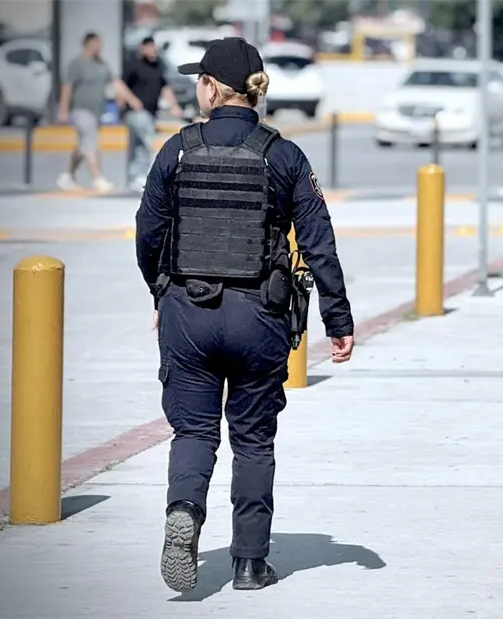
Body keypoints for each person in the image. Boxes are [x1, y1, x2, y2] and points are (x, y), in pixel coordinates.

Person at [134, 37, 355, 593]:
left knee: (194, 430)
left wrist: (162, 293)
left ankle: (185, 507)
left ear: (211, 88)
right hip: (259, 313)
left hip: (189, 312)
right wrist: (339, 319)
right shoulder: (283, 154)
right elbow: (319, 240)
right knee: (253, 440)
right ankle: (252, 563)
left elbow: (148, 233)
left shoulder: (177, 150)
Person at [57, 32, 143, 193]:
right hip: (81, 110)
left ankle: (67, 175)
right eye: (96, 43)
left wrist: (132, 100)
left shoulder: (101, 64)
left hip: (97, 111)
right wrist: (63, 110)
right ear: (88, 44)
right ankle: (97, 178)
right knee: (90, 141)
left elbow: (116, 83)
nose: (99, 47)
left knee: (83, 145)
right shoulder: (76, 64)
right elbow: (67, 88)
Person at [122, 36, 183, 192]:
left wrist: (174, 106)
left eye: (154, 47)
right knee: (145, 141)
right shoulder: (133, 66)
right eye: (149, 47)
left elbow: (165, 88)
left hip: (151, 112)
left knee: (140, 144)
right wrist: (130, 101)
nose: (153, 50)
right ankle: (140, 174)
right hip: (137, 112)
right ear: (142, 48)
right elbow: (121, 86)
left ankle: (136, 175)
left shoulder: (157, 66)